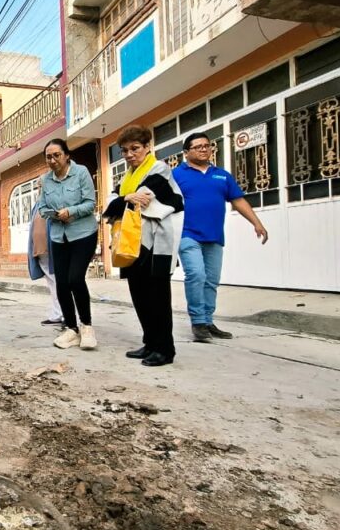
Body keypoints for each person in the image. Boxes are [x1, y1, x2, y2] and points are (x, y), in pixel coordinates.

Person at [173, 131, 268, 342]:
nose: (204, 149)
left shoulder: (222, 175)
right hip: (187, 234)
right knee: (196, 274)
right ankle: (198, 322)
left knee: (211, 280)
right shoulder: (176, 175)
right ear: (186, 152)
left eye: (207, 145)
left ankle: (207, 321)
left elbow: (238, 200)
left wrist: (257, 223)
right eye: (198, 147)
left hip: (214, 236)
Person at [103, 125, 185, 367]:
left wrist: (124, 199)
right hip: (132, 243)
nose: (129, 154)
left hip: (157, 243)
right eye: (124, 150)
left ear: (147, 146)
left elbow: (144, 198)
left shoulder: (159, 169)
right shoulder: (127, 176)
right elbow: (110, 203)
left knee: (158, 297)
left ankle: (165, 349)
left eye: (135, 148)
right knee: (139, 296)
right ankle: (150, 343)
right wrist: (126, 198)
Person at [35, 139, 98, 350]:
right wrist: (52, 214)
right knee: (61, 283)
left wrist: (71, 211)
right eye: (48, 157)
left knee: (75, 278)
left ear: (67, 155)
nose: (52, 160)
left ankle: (86, 326)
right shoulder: (46, 180)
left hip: (83, 233)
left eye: (57, 155)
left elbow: (90, 203)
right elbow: (42, 207)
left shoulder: (81, 173)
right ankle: (71, 329)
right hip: (58, 236)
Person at [27, 195, 63, 327]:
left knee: (58, 282)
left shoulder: (54, 199)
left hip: (52, 247)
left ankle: (64, 315)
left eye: (41, 185)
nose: (39, 187)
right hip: (40, 249)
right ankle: (57, 314)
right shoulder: (37, 205)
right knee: (53, 283)